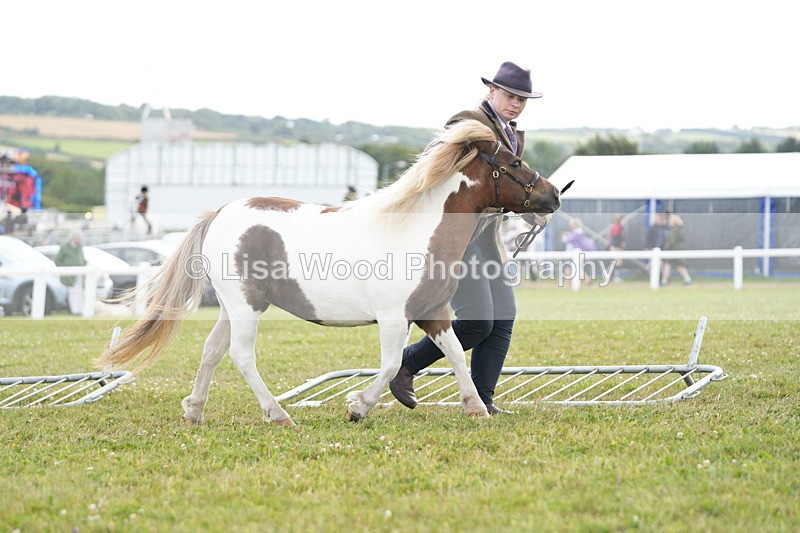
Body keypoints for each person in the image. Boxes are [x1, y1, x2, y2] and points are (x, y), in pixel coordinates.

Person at [389, 61, 543, 415]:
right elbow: (446, 175)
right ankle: (406, 364)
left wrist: (529, 207)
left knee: (503, 318)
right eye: (510, 95)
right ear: (492, 90)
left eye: (523, 99)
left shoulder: (515, 135)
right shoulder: (466, 121)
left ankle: (483, 400)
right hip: (455, 237)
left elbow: (501, 186)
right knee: (477, 321)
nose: (516, 103)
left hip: (487, 239)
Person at [55, 229, 87, 315]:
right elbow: (57, 261)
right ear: (74, 238)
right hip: (70, 275)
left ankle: (82, 310)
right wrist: (66, 269)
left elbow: (82, 259)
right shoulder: (65, 247)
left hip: (80, 274)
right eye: (79, 238)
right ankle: (75, 311)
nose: (80, 240)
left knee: (80, 292)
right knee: (73, 293)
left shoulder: (79, 247)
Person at [660, 211, 693, 286]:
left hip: (674, 250)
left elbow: (671, 241)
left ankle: (664, 281)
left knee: (673, 265)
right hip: (676, 250)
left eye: (670, 220)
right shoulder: (679, 228)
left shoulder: (674, 229)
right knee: (677, 265)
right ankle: (687, 279)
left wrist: (666, 249)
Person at [606, 214, 626, 282]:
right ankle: (615, 277)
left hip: (616, 246)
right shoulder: (617, 227)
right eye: (624, 220)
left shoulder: (619, 227)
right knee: (616, 262)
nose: (625, 221)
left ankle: (610, 276)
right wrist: (617, 247)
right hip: (616, 247)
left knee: (616, 262)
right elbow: (615, 238)